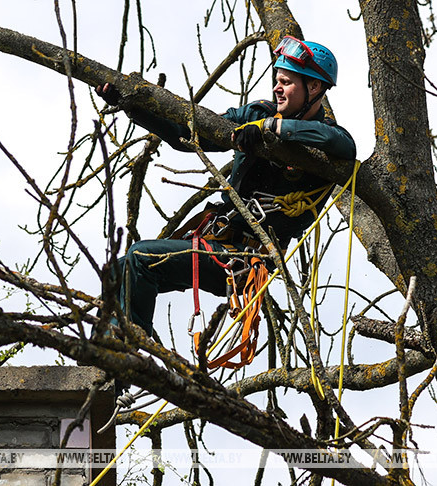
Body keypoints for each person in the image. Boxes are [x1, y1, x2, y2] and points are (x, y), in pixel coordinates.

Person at [96, 36, 356, 343]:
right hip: (215, 240)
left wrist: (272, 130)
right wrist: (133, 107)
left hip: (246, 259)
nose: (277, 88)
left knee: (140, 258)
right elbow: (187, 134)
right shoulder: (255, 115)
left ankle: (128, 350)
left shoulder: (328, 140)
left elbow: (342, 144)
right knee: (120, 271)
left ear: (314, 88)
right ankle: (117, 359)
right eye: (277, 80)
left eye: (286, 82)